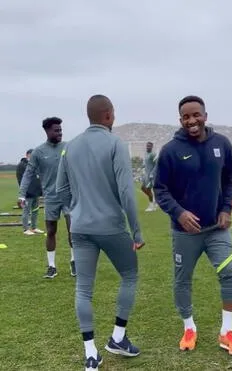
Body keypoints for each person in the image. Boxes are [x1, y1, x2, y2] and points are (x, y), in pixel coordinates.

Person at [56, 94, 145, 370]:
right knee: (130, 275)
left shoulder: (70, 146)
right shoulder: (116, 143)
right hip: (111, 227)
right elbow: (127, 194)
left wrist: (77, 210)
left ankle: (90, 354)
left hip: (81, 228)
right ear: (108, 115)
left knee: (83, 289)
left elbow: (60, 190)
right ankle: (117, 337)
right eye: (114, 113)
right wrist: (137, 232)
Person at [154, 95, 232, 356]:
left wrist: (226, 208)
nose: (191, 121)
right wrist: (179, 213)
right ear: (180, 120)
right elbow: (160, 189)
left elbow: (228, 181)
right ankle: (189, 327)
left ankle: (226, 332)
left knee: (229, 274)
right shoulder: (170, 150)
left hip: (217, 229)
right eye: (186, 117)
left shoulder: (222, 144)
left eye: (196, 115)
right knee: (182, 280)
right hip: (185, 233)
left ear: (205, 115)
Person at [18, 116, 75, 278]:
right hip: (50, 198)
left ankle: (74, 261)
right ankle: (51, 266)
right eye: (56, 130)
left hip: (69, 197)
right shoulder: (38, 152)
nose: (60, 133)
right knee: (51, 231)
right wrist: (22, 195)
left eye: (61, 130)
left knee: (73, 229)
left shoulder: (68, 147)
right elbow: (28, 175)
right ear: (47, 131)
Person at [16, 149, 44, 235]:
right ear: (28, 155)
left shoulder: (34, 165)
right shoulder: (22, 165)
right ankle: (26, 229)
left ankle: (34, 227)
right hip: (27, 193)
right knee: (26, 211)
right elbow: (22, 180)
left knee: (35, 210)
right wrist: (23, 193)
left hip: (36, 192)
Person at [141, 142, 158, 212]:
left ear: (152, 147)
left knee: (148, 189)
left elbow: (157, 164)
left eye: (149, 146)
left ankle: (151, 207)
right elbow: (146, 163)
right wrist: (142, 168)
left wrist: (152, 173)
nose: (148, 147)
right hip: (146, 174)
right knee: (142, 188)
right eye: (147, 146)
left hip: (150, 175)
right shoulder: (146, 154)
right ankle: (154, 200)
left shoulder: (153, 154)